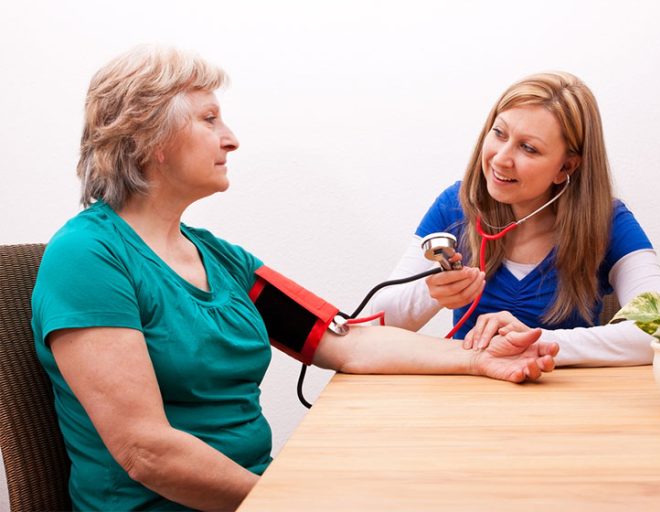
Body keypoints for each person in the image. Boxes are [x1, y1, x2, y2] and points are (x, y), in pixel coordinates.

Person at [30, 46, 559, 511]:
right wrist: (288, 500)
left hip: (259, 493)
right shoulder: (88, 257)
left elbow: (346, 343)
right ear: (151, 139)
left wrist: (475, 359)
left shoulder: (219, 258)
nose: (231, 138)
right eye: (209, 119)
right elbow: (147, 451)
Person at [370, 71, 660, 367]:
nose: (501, 157)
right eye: (499, 133)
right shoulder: (456, 206)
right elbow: (375, 326)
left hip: (565, 405)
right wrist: (431, 293)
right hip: (465, 402)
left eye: (528, 148)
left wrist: (537, 342)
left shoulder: (607, 222)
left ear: (565, 167)